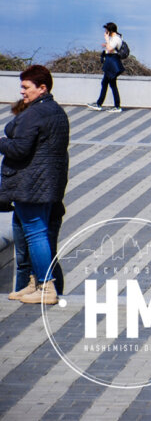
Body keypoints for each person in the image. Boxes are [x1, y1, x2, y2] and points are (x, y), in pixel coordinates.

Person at [0, 65, 70, 305]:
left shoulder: (35, 113)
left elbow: (19, 148)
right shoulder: (56, 111)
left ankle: (46, 287)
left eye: (26, 87)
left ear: (42, 88)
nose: (22, 91)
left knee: (36, 234)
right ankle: (34, 282)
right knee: (29, 232)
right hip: (48, 184)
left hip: (30, 185)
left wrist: (1, 141)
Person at [86, 22, 124, 113]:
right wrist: (107, 43)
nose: (105, 32)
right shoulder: (114, 38)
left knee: (112, 85)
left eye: (106, 30)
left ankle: (115, 106)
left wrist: (107, 40)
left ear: (110, 30)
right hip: (109, 62)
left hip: (112, 62)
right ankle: (100, 103)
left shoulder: (116, 38)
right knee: (106, 83)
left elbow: (110, 49)